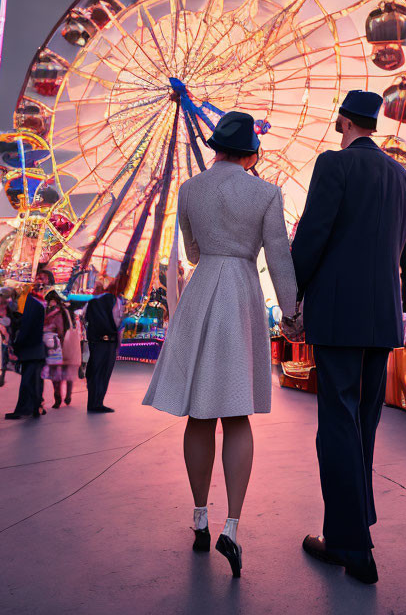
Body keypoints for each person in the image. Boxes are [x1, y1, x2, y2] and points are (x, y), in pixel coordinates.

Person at [142, 111, 296, 579]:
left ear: (215, 147)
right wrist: (291, 314)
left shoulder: (190, 190)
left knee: (199, 415)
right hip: (242, 294)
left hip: (204, 287)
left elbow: (189, 252)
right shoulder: (267, 193)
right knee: (237, 414)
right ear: (251, 151)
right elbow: (279, 258)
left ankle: (199, 518)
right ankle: (232, 524)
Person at [290, 91, 406, 585]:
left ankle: (350, 545)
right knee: (364, 425)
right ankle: (353, 529)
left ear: (345, 123)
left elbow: (312, 236)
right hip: (382, 321)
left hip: (337, 315)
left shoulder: (334, 165)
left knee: (337, 427)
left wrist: (294, 294)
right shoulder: (403, 179)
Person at [5, 269, 50, 420]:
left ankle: (30, 407)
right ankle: (34, 406)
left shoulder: (34, 304)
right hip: (36, 348)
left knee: (29, 380)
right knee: (33, 380)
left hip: (33, 348)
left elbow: (28, 326)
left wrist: (18, 344)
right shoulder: (38, 303)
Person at [84, 278, 124, 413]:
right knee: (103, 372)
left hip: (95, 341)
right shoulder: (115, 300)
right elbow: (118, 321)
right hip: (108, 342)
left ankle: (93, 402)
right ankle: (97, 402)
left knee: (94, 371)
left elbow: (85, 317)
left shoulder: (91, 300)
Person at [42, 290, 79, 407]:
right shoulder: (66, 311)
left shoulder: (55, 313)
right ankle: (67, 396)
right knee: (67, 371)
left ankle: (59, 397)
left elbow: (60, 330)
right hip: (68, 344)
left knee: (56, 372)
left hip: (57, 345)